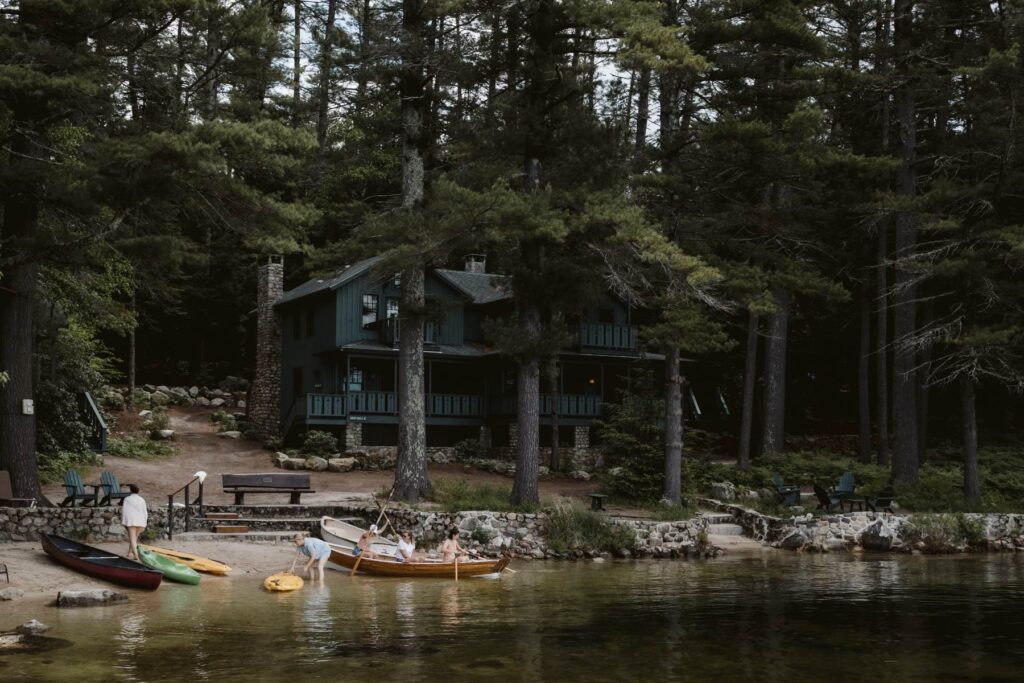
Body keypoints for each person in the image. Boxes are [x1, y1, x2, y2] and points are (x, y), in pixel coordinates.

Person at [121, 484, 147, 560]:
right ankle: (129, 553)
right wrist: (145, 522)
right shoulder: (142, 499)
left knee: (132, 539)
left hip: (131, 521)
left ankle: (136, 555)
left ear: (130, 490)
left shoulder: (127, 499)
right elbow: (145, 512)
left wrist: (124, 521)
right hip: (141, 521)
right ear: (138, 491)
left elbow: (125, 511)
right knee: (134, 539)